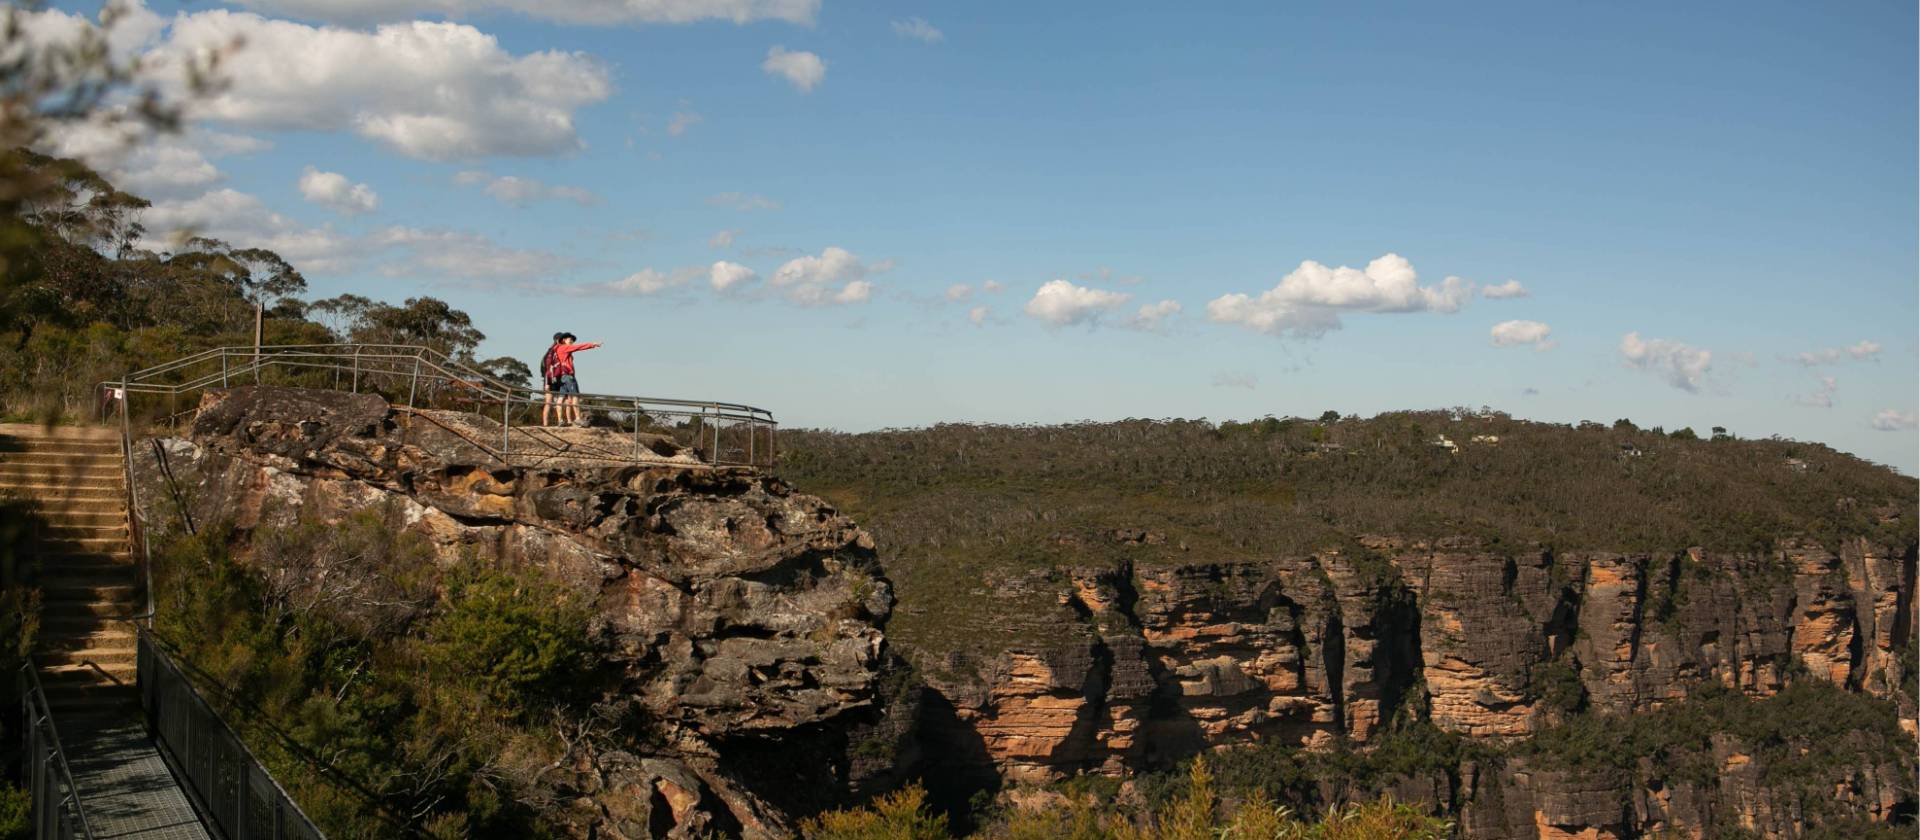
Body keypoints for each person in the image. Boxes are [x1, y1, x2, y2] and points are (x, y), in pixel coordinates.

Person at [540, 332, 600, 427]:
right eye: (570, 339)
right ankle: (578, 418)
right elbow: (579, 347)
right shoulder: (564, 347)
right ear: (564, 340)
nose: (572, 341)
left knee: (560, 398)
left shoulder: (555, 349)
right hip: (568, 376)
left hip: (561, 377)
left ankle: (560, 420)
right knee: (575, 396)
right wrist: (592, 345)